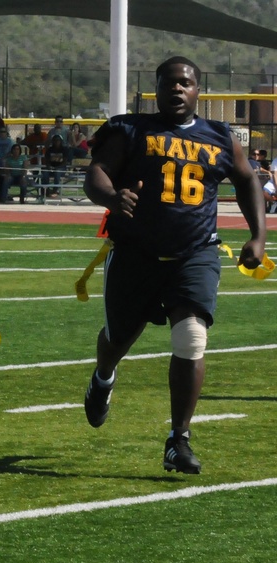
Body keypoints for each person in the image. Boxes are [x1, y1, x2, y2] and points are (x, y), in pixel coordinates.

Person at [82, 55, 266, 475]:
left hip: (194, 253)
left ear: (198, 89)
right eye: (169, 83)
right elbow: (97, 173)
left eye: (185, 83)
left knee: (191, 337)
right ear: (157, 89)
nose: (177, 89)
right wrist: (112, 197)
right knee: (118, 337)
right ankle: (104, 376)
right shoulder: (129, 129)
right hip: (135, 255)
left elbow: (247, 180)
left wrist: (258, 235)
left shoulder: (220, 136)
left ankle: (178, 439)